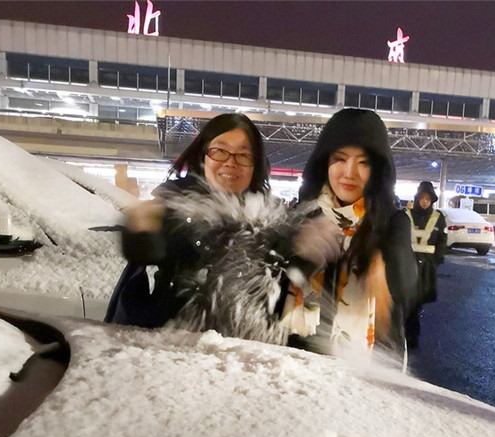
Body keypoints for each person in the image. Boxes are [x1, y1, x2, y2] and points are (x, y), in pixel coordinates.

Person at [104, 113, 338, 340]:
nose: (230, 162)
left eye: (243, 155)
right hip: (178, 349)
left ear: (255, 165)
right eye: (219, 151)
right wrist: (140, 230)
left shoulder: (270, 217)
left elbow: (285, 282)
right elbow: (148, 251)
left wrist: (307, 252)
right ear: (204, 156)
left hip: (244, 357)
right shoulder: (178, 206)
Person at [281, 108, 417, 359]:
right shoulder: (303, 215)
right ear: (325, 162)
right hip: (299, 357)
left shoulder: (392, 221)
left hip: (366, 364)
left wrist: (384, 267)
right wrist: (294, 248)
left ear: (377, 169)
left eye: (363, 162)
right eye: (340, 159)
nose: (349, 172)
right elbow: (274, 280)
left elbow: (406, 283)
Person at [404, 181, 446, 349]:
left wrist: (437, 259)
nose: (425, 202)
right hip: (407, 264)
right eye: (422, 198)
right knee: (407, 300)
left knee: (418, 301)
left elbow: (442, 240)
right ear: (417, 198)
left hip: (427, 266)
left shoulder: (438, 218)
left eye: (428, 199)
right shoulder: (406, 215)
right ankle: (408, 333)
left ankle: (411, 335)